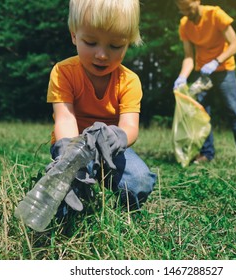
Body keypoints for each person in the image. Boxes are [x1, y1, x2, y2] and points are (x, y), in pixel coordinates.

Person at [46, 0, 156, 216]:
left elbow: (130, 126)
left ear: (128, 43)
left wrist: (116, 137)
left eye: (115, 46)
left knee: (139, 180)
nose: (102, 55)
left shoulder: (129, 81)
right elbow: (65, 119)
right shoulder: (63, 72)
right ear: (74, 35)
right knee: (62, 198)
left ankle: (126, 216)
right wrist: (69, 159)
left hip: (111, 150)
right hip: (72, 146)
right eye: (91, 42)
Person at [173, 0, 236, 166]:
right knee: (202, 113)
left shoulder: (216, 14)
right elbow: (189, 57)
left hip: (224, 70)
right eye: (182, 10)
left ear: (197, 1)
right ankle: (206, 153)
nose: (186, 13)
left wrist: (216, 62)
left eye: (188, 8)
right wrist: (182, 77)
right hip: (203, 73)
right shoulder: (185, 25)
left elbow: (234, 45)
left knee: (234, 111)